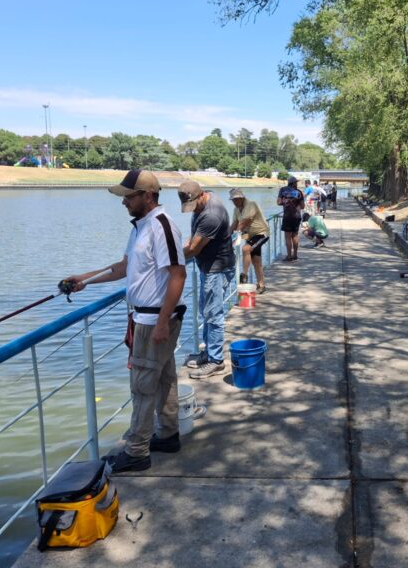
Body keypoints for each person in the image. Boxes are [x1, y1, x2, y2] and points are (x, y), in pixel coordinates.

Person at [61, 169, 187, 473]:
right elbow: (124, 267)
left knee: (142, 385)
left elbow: (178, 274)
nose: (124, 203)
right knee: (164, 377)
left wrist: (160, 322)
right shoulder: (140, 228)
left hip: (154, 319)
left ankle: (136, 450)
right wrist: (85, 279)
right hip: (146, 316)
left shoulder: (161, 226)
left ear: (148, 195)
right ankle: (168, 434)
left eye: (128, 197)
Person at [179, 180, 236, 379]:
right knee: (206, 311)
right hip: (208, 266)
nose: (193, 210)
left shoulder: (212, 214)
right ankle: (209, 353)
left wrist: (169, 260)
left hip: (216, 268)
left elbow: (194, 249)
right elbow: (194, 238)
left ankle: (216, 361)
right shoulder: (208, 196)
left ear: (201, 195)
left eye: (194, 205)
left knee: (213, 315)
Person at [229, 188, 269, 294]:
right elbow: (234, 224)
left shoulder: (251, 204)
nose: (235, 202)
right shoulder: (236, 210)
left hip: (261, 233)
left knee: (246, 249)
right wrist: (226, 236)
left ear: (242, 198)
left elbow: (245, 222)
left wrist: (237, 232)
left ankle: (244, 274)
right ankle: (261, 285)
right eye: (233, 200)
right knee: (256, 260)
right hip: (249, 236)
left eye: (237, 199)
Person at [277, 175, 305, 262]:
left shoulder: (282, 190)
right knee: (295, 235)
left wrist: (285, 202)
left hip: (287, 216)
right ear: (293, 183)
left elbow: (278, 202)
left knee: (288, 236)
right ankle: (295, 255)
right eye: (296, 182)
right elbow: (303, 206)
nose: (297, 184)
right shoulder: (299, 192)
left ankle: (289, 256)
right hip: (297, 216)